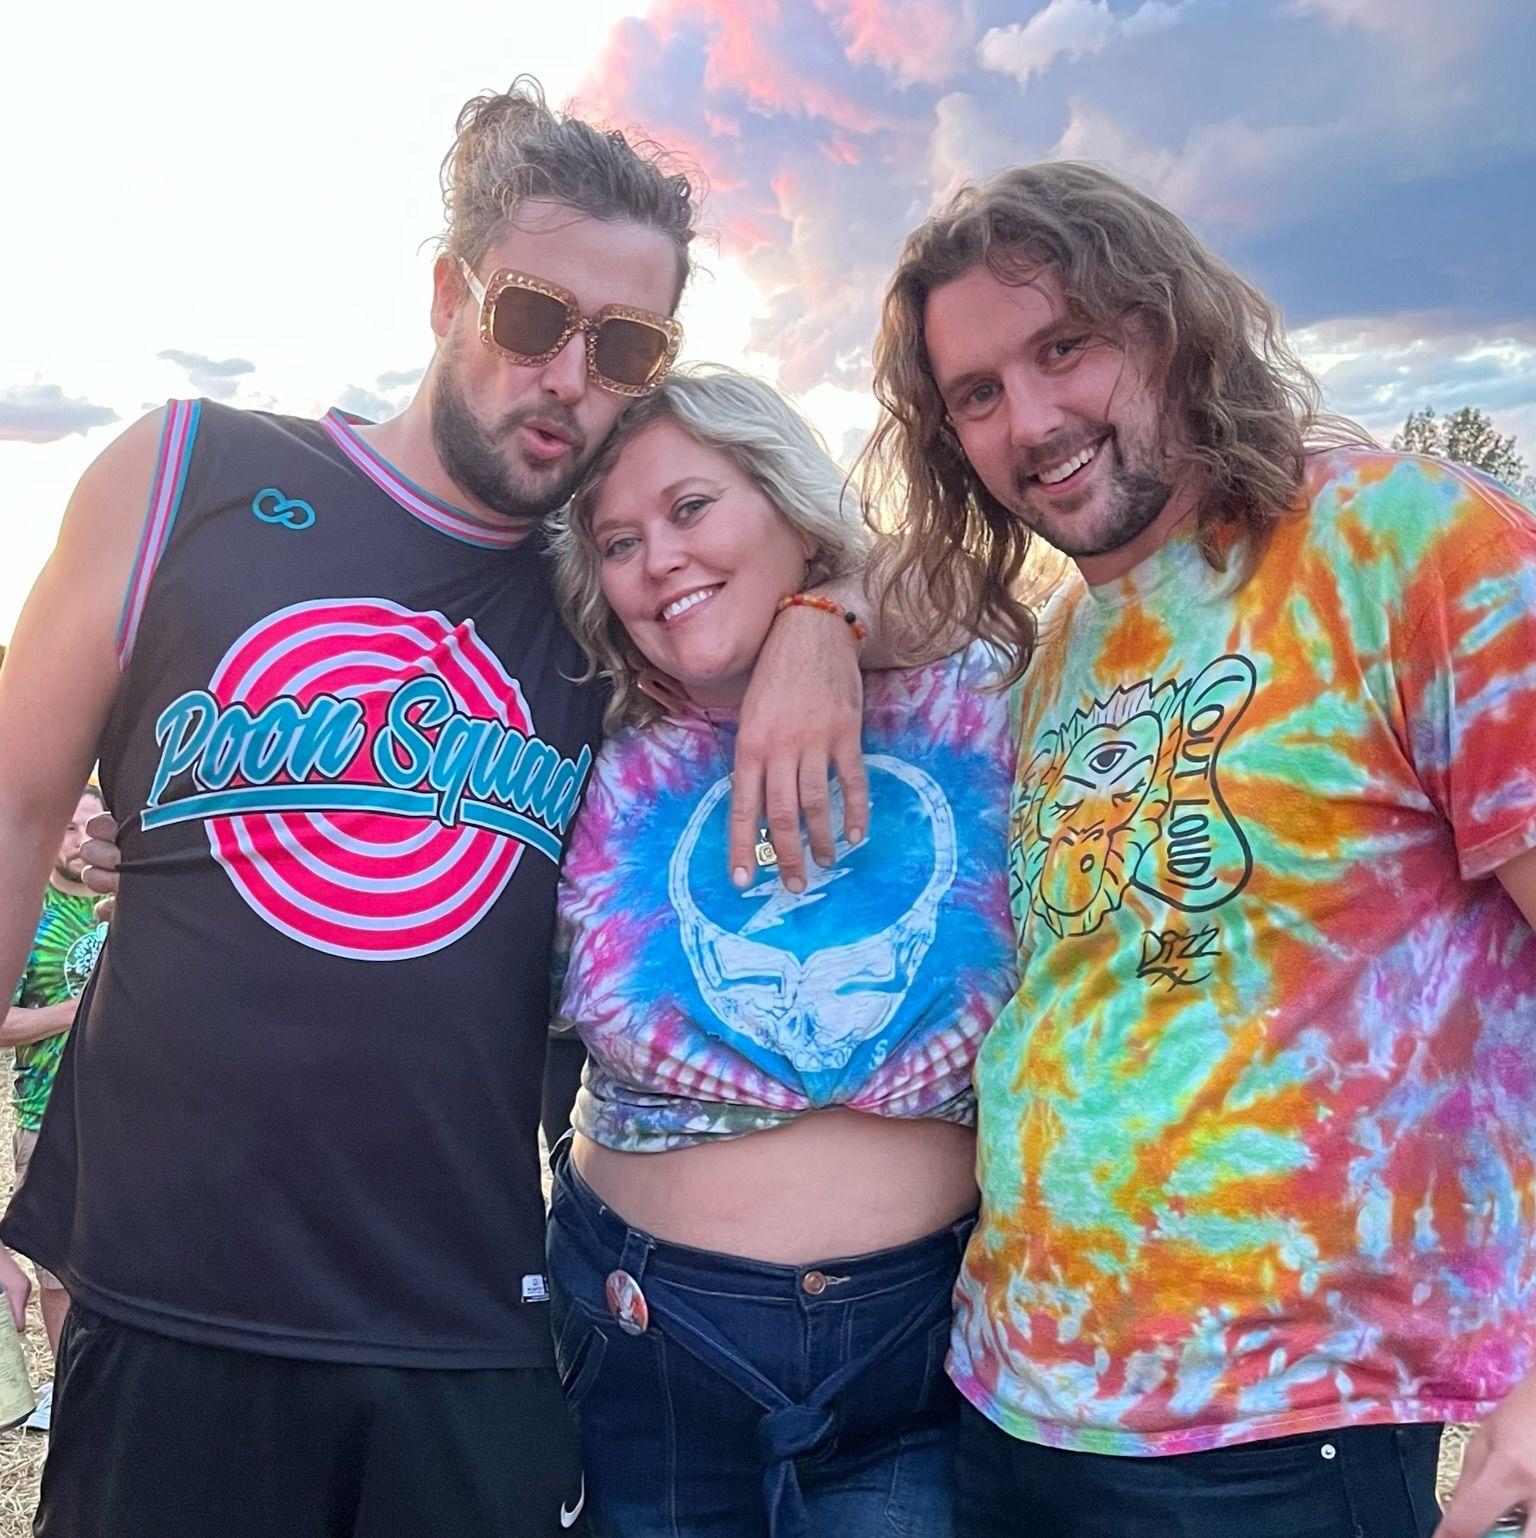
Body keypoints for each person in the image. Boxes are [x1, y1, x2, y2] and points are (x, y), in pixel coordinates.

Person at [0, 77, 885, 1538]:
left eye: (626, 346)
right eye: (535, 318)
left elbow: (911, 563)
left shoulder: (604, 597)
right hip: (172, 1302)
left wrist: (822, 612)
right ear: (445, 295)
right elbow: (20, 812)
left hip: (471, 1323)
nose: (572, 377)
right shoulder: (189, 471)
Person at [856, 160, 1536, 1538]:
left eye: (1064, 347)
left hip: (1298, 1429)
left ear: (1170, 325)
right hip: (1011, 1404)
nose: (1030, 420)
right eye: (976, 393)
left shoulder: (1404, 543)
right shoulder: (1059, 650)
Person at [541, 365, 1016, 1537]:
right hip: (646, 1343)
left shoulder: (976, 691)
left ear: (791, 504)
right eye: (617, 541)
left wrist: (827, 616)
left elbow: (976, 562)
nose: (658, 558)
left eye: (692, 507)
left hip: (914, 1349)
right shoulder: (584, 728)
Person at [3, 786, 108, 1382]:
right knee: (58, 1273)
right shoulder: (25, 916)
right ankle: (71, 1391)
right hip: (48, 1117)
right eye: (67, 828)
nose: (79, 841)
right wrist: (80, 1008)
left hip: (136, 1113)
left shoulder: (135, 905)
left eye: (92, 827)